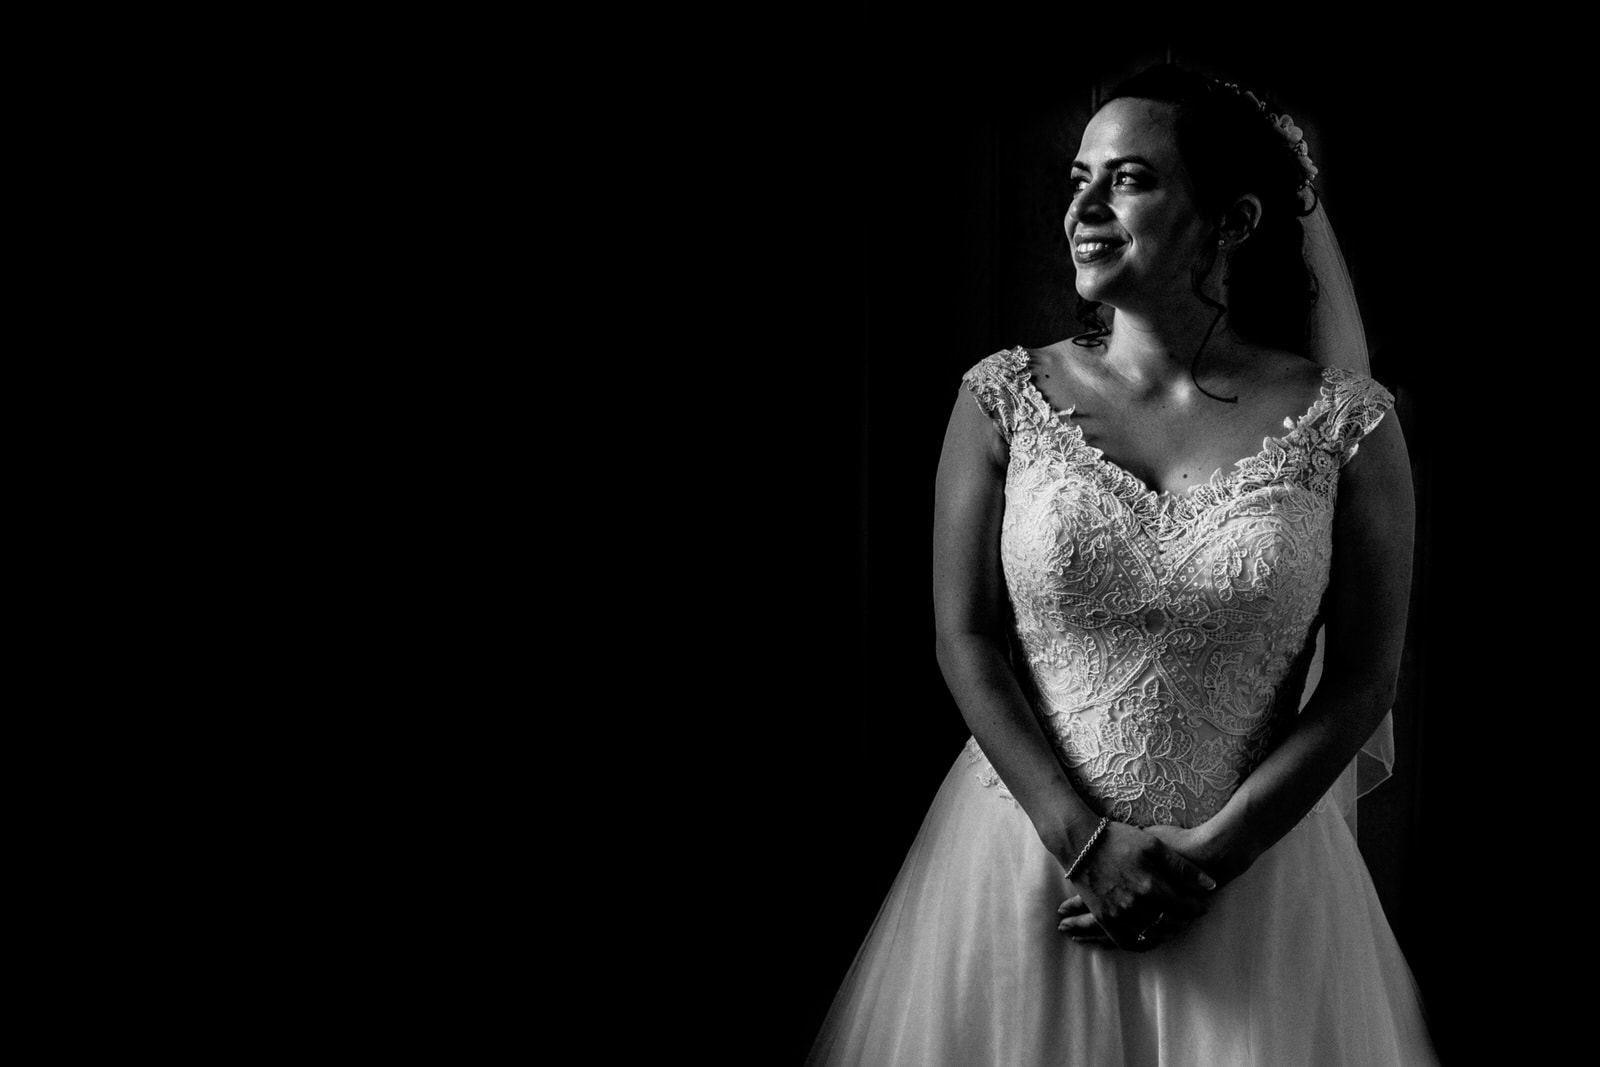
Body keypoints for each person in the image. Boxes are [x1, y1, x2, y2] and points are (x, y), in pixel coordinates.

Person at [806, 66, 1437, 1065]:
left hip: (1251, 876)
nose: (1084, 208)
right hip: (1028, 858)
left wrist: (1216, 855)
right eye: (1078, 179)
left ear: (1232, 220)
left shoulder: (1348, 425)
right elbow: (963, 636)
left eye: (1129, 179)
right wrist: (1084, 842)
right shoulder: (1001, 399)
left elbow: (1365, 676)